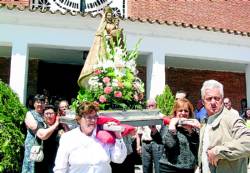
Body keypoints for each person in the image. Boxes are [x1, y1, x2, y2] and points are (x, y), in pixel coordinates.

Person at [53, 101, 127, 173]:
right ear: (79, 119)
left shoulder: (105, 136)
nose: (93, 120)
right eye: (89, 117)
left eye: (95, 117)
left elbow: (119, 159)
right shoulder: (68, 138)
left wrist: (118, 135)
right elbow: (60, 168)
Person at [198, 79, 250, 173]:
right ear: (203, 102)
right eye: (209, 99)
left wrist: (219, 151)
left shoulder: (231, 118)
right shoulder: (205, 121)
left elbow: (248, 141)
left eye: (217, 98)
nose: (213, 102)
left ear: (222, 99)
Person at [159, 98, 200, 173]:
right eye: (180, 110)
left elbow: (197, 147)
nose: (183, 113)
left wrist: (190, 131)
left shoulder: (194, 127)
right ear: (175, 112)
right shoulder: (168, 126)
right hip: (169, 168)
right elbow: (170, 145)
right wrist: (172, 128)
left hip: (188, 168)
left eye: (186, 111)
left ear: (189, 113)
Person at [22, 94, 60, 173]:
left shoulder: (45, 114)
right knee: (31, 168)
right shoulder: (30, 114)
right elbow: (41, 134)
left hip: (44, 150)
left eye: (42, 102)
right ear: (34, 103)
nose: (39, 104)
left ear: (44, 104)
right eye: (37, 102)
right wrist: (56, 124)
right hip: (33, 149)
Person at [136, 99, 163, 173]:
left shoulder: (160, 116)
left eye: (152, 105)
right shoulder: (143, 117)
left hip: (156, 143)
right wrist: (138, 146)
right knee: (146, 167)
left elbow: (160, 132)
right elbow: (139, 133)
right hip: (145, 144)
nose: (150, 108)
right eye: (148, 106)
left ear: (156, 106)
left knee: (158, 167)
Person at [43, 105, 60, 173]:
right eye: (47, 114)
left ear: (55, 115)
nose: (49, 116)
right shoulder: (41, 126)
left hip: (57, 159)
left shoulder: (60, 126)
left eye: (51, 113)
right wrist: (55, 124)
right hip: (43, 160)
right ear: (43, 115)